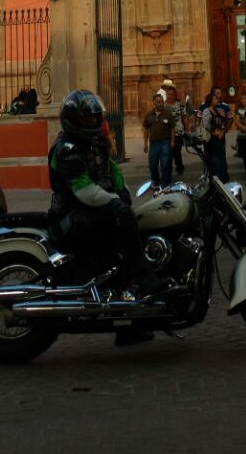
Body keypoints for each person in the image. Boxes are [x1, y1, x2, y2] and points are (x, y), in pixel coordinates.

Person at [48, 89, 169, 345]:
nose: (93, 123)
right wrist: (116, 203)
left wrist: (122, 193)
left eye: (94, 118)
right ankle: (144, 278)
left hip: (92, 212)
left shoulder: (95, 143)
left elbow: (112, 170)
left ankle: (129, 323)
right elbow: (85, 191)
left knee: (123, 246)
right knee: (123, 223)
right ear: (73, 120)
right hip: (71, 218)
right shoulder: (66, 148)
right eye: (86, 119)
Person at [142, 90, 174, 190]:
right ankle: (156, 181)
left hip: (165, 142)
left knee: (165, 164)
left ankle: (164, 184)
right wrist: (145, 144)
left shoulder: (168, 114)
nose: (160, 103)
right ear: (154, 103)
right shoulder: (149, 115)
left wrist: (172, 141)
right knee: (153, 164)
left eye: (161, 101)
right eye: (158, 102)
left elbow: (172, 128)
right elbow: (145, 129)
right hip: (153, 143)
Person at [200, 86, 232, 183]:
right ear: (210, 100)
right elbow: (206, 126)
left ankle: (223, 179)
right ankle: (217, 180)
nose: (217, 99)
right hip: (213, 140)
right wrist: (216, 132)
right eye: (215, 98)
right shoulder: (206, 111)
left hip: (220, 138)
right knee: (216, 160)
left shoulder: (217, 110)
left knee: (221, 158)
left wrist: (222, 131)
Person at [164, 83, 189, 177]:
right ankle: (168, 169)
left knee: (176, 151)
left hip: (178, 132)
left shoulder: (180, 105)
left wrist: (187, 129)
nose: (171, 96)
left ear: (175, 95)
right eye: (169, 94)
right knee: (167, 152)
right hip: (165, 133)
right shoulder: (163, 106)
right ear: (166, 95)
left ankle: (179, 167)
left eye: (173, 94)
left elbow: (185, 118)